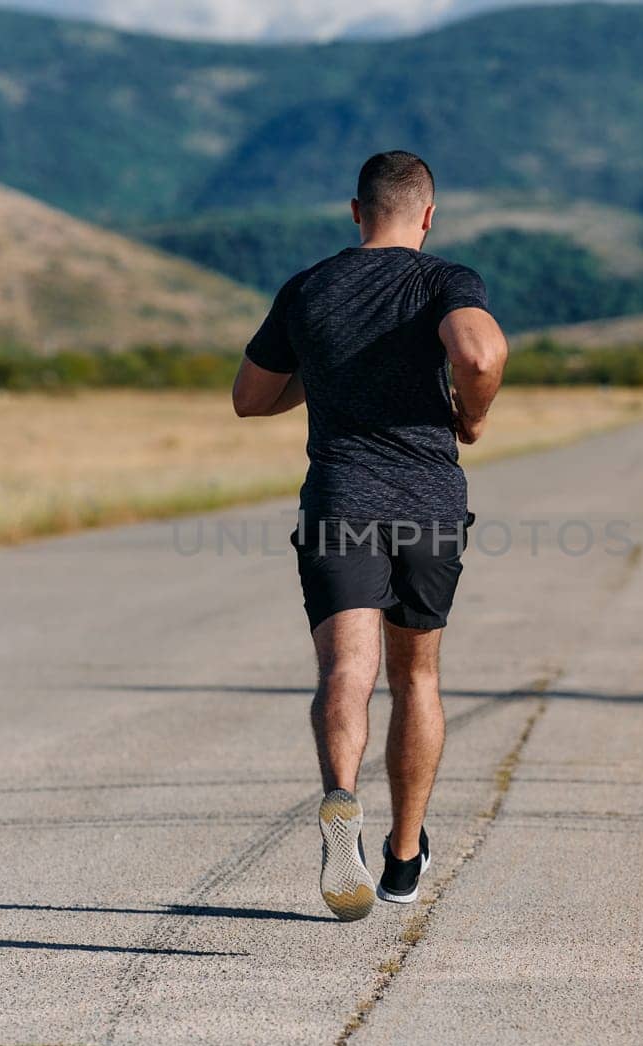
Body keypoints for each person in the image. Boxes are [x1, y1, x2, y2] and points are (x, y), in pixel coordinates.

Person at [231, 150, 509, 921]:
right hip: (428, 504)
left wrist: (321, 374)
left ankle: (339, 799)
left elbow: (250, 400)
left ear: (355, 213)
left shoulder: (310, 286)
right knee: (415, 678)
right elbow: (479, 352)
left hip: (339, 501)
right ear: (427, 216)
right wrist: (473, 416)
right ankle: (401, 855)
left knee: (345, 672)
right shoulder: (443, 280)